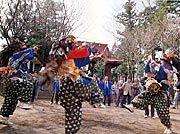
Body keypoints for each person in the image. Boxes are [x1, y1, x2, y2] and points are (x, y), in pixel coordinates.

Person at [123, 55, 173, 134]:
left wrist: (163, 81)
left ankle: (168, 127)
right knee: (143, 96)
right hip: (152, 90)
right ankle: (132, 105)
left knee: (162, 111)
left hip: (161, 92)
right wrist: (150, 62)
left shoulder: (169, 69)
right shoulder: (156, 68)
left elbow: (169, 82)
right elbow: (149, 73)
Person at [0, 39, 37, 125]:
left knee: (10, 99)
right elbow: (26, 53)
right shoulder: (16, 55)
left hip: (7, 79)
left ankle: (5, 118)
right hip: (12, 78)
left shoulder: (11, 56)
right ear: (18, 48)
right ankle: (23, 102)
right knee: (28, 85)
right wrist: (32, 49)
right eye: (23, 45)